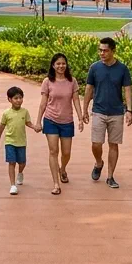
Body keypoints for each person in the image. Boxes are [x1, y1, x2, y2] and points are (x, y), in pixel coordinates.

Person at [83, 37, 132, 189]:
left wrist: (129, 110)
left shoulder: (122, 69)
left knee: (113, 144)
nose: (102, 53)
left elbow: (127, 89)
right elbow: (89, 89)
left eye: (105, 51)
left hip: (116, 112)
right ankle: (99, 163)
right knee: (96, 143)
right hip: (98, 111)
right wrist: (85, 109)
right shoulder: (94, 68)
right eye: (100, 50)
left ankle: (110, 177)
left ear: (113, 51)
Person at [38, 53, 85, 195]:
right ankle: (56, 184)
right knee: (53, 151)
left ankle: (62, 169)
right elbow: (43, 103)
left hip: (67, 121)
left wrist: (80, 118)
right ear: (53, 65)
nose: (61, 66)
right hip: (50, 120)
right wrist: (38, 121)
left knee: (66, 152)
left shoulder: (72, 81)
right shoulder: (47, 81)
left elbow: (76, 100)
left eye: (63, 63)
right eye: (58, 63)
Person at [0, 86, 41, 195]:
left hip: (21, 142)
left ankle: (20, 173)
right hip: (10, 141)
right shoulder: (6, 113)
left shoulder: (24, 112)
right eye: (15, 98)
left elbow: (28, 122)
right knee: (11, 162)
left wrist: (34, 127)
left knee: (22, 162)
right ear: (9, 99)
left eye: (20, 98)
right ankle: (13, 185)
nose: (18, 100)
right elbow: (2, 126)